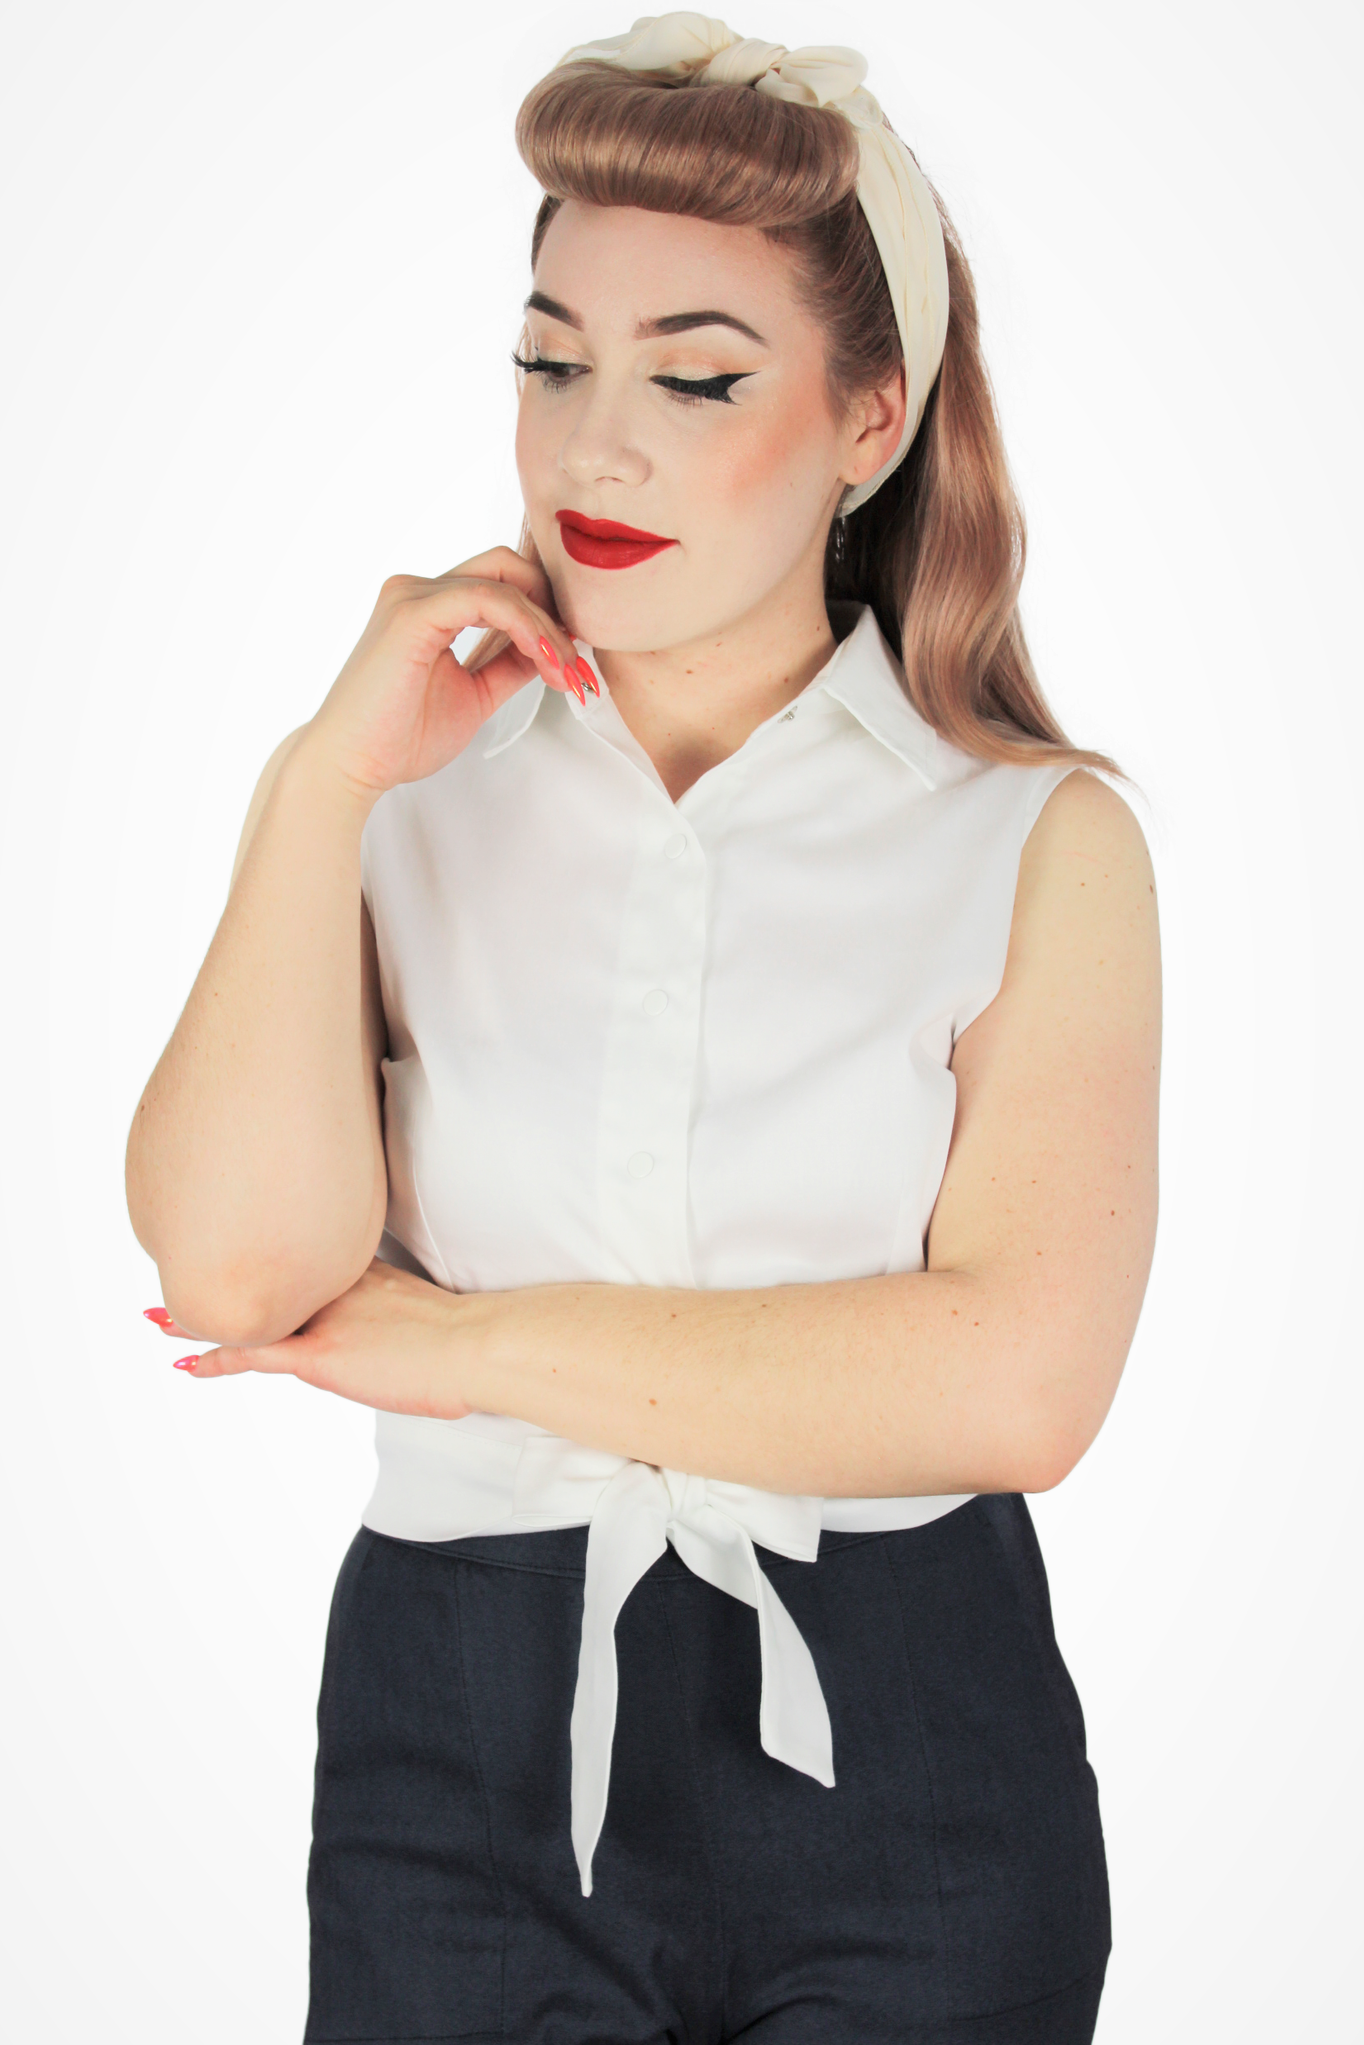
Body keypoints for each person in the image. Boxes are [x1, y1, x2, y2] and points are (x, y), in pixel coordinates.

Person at [126, 14, 1161, 2043]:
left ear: (870, 419)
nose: (594, 444)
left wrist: (462, 1344)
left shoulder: (1034, 839)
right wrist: (322, 778)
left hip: (915, 1748)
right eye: (551, 361)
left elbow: (1017, 1386)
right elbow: (235, 1275)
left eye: (695, 378)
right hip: (458, 1737)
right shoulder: (393, 795)